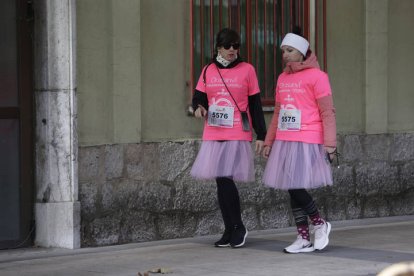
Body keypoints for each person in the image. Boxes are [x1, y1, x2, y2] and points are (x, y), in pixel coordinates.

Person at [262, 28, 338, 254]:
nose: (284, 54)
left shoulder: (318, 77)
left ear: (302, 52)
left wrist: (330, 144)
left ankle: (319, 223)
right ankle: (303, 237)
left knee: (295, 185)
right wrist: (269, 141)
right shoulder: (282, 78)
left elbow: (327, 112)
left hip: (307, 139)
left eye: (290, 50)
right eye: (283, 50)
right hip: (285, 138)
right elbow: (277, 112)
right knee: (291, 187)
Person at [191, 28, 266, 248]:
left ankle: (238, 227)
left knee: (225, 178)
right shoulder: (208, 70)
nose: (232, 50)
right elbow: (198, 97)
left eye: (236, 46)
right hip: (214, 130)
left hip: (236, 129)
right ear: (218, 47)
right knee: (221, 180)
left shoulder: (247, 70)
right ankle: (229, 228)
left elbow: (255, 104)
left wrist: (261, 134)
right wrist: (198, 108)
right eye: (228, 46)